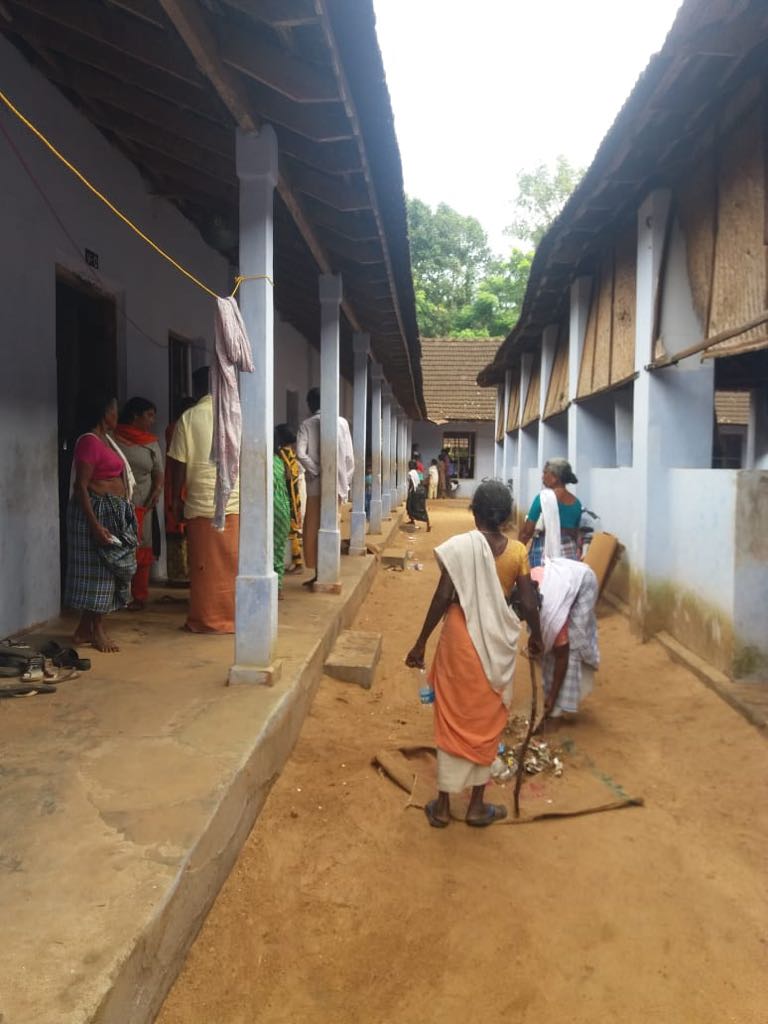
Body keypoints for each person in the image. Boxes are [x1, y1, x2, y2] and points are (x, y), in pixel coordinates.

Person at [405, 480, 543, 828]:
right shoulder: (517, 553)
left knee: (452, 716)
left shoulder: (461, 547)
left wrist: (420, 642)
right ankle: (476, 806)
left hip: (459, 638)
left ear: (475, 513)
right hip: (497, 642)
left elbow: (442, 596)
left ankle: (443, 805)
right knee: (487, 717)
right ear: (506, 517)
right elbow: (528, 603)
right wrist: (537, 637)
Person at [167, 367, 239, 633]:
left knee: (203, 566)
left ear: (197, 388)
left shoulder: (188, 418)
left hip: (200, 502)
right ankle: (233, 618)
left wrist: (176, 499)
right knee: (232, 563)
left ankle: (206, 619)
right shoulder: (235, 416)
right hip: (234, 502)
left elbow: (178, 464)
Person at [65, 394, 138, 653]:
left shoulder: (106, 440)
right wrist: (95, 525)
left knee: (110, 569)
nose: (117, 414)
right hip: (95, 514)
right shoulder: (89, 442)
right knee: (101, 572)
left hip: (112, 513)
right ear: (104, 412)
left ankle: (83, 629)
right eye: (114, 409)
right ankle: (96, 630)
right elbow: (81, 486)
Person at [295, 386, 355, 588]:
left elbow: (300, 453)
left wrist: (316, 471)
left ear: (310, 404)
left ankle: (319, 572)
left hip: (314, 487)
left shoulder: (306, 424)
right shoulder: (342, 423)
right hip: (336, 486)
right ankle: (328, 572)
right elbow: (349, 458)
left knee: (312, 528)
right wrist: (343, 481)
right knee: (332, 526)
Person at [531, 559, 599, 724]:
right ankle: (549, 702)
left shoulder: (552, 613)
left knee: (573, 642)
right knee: (547, 647)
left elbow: (562, 655)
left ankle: (558, 711)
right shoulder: (526, 589)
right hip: (565, 579)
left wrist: (553, 696)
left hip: (583, 582)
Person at [114, 396, 163, 610]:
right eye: (149, 415)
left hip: (144, 504)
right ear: (135, 415)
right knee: (117, 547)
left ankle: (139, 595)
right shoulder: (112, 438)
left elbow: (158, 473)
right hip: (117, 502)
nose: (152, 420)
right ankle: (117, 595)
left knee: (142, 548)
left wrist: (156, 491)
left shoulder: (150, 443)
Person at [518, 457, 583, 568]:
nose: (542, 477)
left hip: (545, 554)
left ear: (555, 477)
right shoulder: (577, 503)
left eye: (545, 473)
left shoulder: (543, 499)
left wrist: (518, 551)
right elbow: (575, 534)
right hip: (569, 557)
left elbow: (526, 532)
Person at [164, 397, 196, 584]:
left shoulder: (182, 427)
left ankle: (185, 573)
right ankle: (179, 574)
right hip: (177, 480)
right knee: (177, 526)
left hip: (185, 480)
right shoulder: (177, 428)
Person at [276, 424, 304, 574]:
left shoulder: (282, 454)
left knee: (292, 532)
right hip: (295, 496)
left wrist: (291, 504)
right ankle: (295, 560)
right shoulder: (291, 453)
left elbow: (288, 479)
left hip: (288, 497)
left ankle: (297, 562)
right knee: (294, 530)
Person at [273, 428, 292, 597]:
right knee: (278, 549)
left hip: (271, 509)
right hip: (284, 509)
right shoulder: (281, 460)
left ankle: (271, 588)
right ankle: (278, 587)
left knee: (266, 550)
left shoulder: (266, 461)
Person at [406, 459, 431, 532]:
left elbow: (411, 485)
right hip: (421, 491)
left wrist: (410, 493)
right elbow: (422, 482)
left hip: (414, 492)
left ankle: (412, 520)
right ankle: (428, 524)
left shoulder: (410, 473)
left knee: (409, 506)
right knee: (422, 508)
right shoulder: (419, 472)